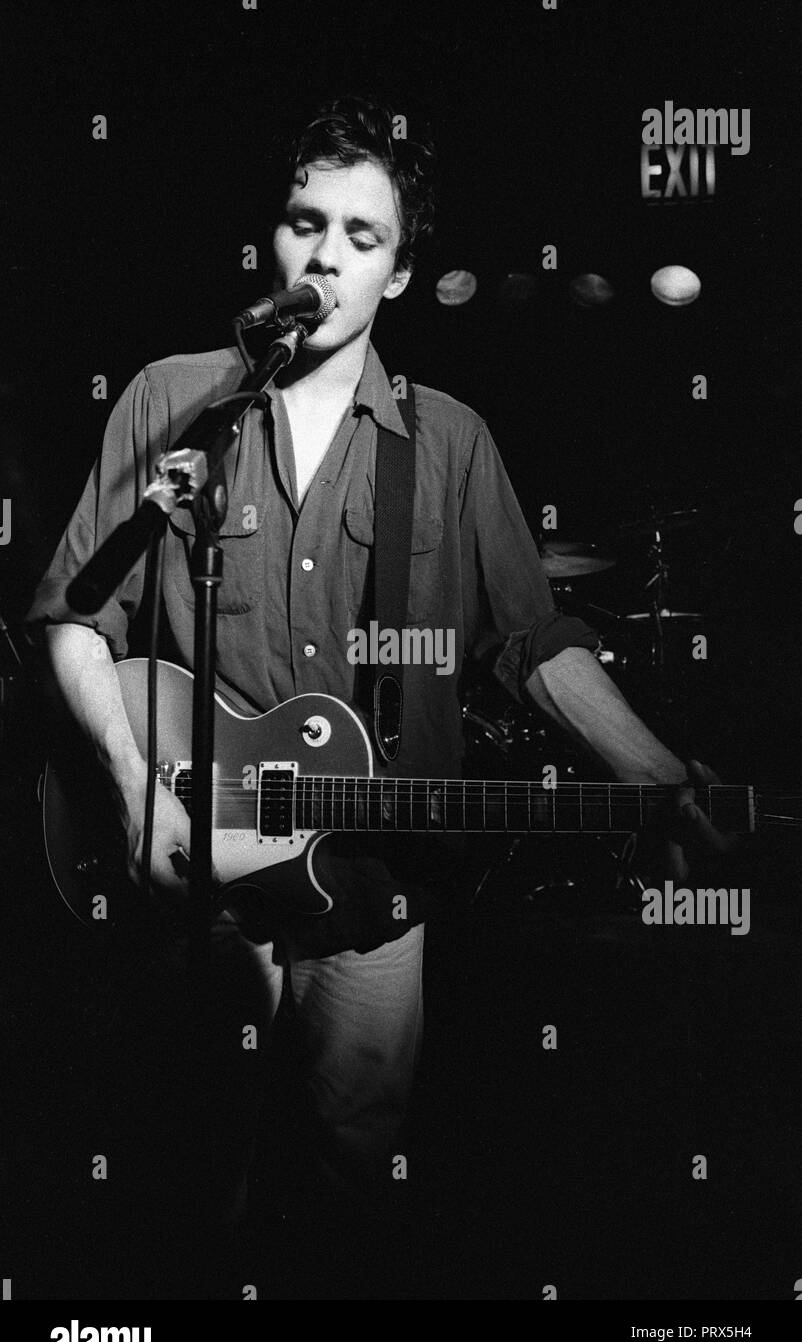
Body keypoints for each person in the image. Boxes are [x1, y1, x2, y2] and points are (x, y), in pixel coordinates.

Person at [24, 95, 732, 1258]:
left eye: (363, 237)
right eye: (306, 223)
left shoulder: (445, 442)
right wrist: (134, 784)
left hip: (370, 892)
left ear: (399, 272)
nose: (326, 257)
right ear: (270, 237)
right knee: (190, 1177)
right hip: (193, 880)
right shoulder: (170, 400)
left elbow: (531, 642)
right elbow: (70, 616)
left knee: (352, 1176)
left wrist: (650, 770)